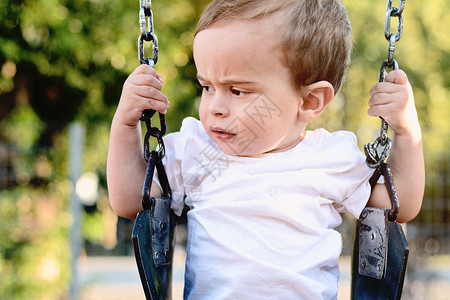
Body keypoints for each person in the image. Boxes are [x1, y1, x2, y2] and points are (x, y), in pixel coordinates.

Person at [107, 0, 425, 298]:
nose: (215, 107)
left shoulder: (330, 158)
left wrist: (407, 132)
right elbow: (129, 200)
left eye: (238, 91)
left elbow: (400, 206)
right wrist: (124, 125)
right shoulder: (200, 151)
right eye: (207, 87)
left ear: (310, 101)